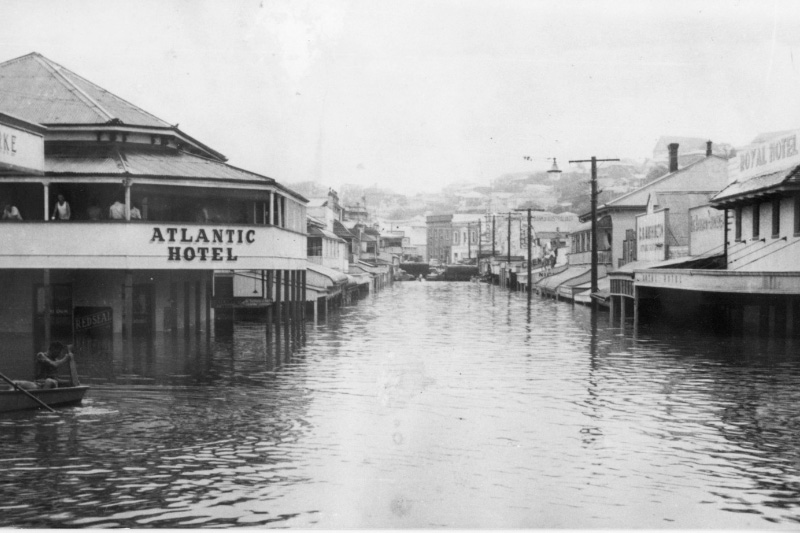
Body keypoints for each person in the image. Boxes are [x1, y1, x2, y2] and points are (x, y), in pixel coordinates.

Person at [9, 342, 74, 390]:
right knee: (14, 382)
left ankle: (45, 397)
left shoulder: (55, 360)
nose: (59, 354)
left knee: (49, 381)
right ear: (53, 349)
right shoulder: (41, 355)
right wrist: (65, 359)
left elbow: (55, 378)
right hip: (38, 384)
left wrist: (70, 382)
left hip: (52, 384)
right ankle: (10, 398)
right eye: (59, 352)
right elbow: (54, 364)